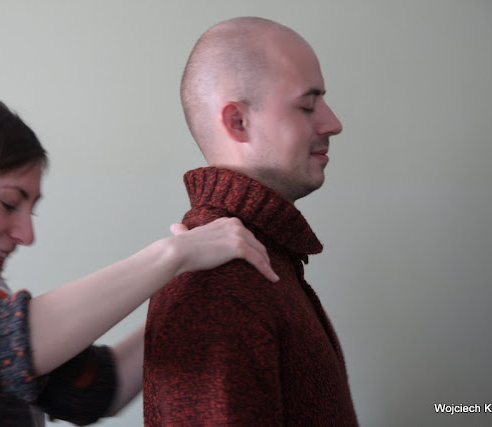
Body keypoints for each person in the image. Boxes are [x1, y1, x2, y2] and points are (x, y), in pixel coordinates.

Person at [0, 96, 279, 426]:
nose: (26, 234)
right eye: (8, 204)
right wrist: (172, 255)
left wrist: (190, 292)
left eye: (29, 211)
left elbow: (97, 388)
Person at [143, 17, 358, 425]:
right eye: (307, 105)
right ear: (238, 122)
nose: (333, 123)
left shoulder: (259, 253)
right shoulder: (220, 281)